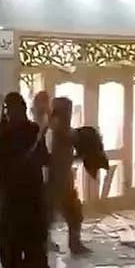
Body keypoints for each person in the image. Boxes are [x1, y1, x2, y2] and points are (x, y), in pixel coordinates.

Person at [0, 92, 51, 268]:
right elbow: (44, 159)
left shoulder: (7, 134)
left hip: (19, 197)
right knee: (24, 242)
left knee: (18, 243)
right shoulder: (27, 131)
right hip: (25, 195)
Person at [46, 97, 91, 255]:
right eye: (68, 111)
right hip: (55, 180)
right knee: (52, 214)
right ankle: (55, 243)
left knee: (73, 215)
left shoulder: (60, 128)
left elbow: (68, 153)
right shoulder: (57, 128)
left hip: (64, 179)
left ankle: (74, 243)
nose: (69, 114)